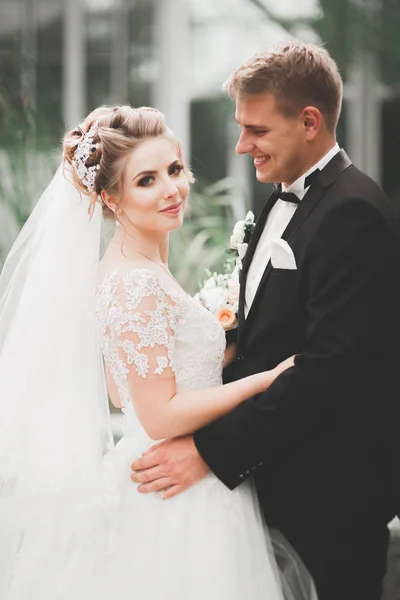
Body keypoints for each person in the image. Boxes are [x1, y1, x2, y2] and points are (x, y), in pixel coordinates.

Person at [0, 104, 317, 600]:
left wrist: (220, 345)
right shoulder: (134, 284)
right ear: (111, 197)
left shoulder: (133, 268)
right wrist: (264, 379)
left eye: (173, 169)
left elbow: (123, 385)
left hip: (175, 478)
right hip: (175, 499)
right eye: (146, 180)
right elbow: (160, 416)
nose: (171, 189)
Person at [130, 42, 400, 600]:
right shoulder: (282, 199)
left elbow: (328, 370)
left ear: (309, 122)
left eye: (256, 130)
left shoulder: (354, 212)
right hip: (270, 483)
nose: (240, 145)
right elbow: (264, 336)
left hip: (330, 501)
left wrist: (208, 452)